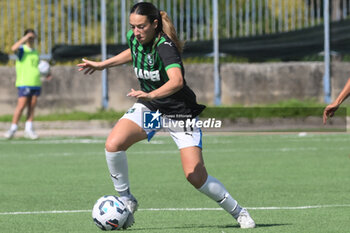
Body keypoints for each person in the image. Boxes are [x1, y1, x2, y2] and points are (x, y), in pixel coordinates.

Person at [78, 2, 255, 229]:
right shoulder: (136, 38)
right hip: (152, 109)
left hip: (180, 114)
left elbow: (176, 81)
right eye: (132, 26)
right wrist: (103, 65)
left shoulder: (165, 47)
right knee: (113, 144)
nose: (136, 32)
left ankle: (239, 212)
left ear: (154, 24)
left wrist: (150, 93)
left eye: (141, 26)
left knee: (195, 176)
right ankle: (126, 199)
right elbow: (133, 52)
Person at [4, 29, 51, 139]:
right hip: (24, 82)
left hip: (35, 82)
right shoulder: (22, 50)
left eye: (33, 37)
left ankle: (29, 129)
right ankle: (13, 128)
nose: (31, 39)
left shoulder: (35, 52)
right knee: (21, 106)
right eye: (30, 37)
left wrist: (47, 73)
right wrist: (25, 38)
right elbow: (13, 49)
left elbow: (39, 66)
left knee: (32, 106)